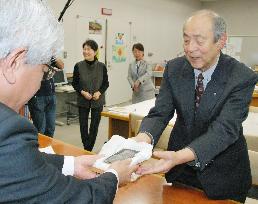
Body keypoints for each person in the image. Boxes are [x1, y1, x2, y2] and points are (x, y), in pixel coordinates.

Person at [0, 0, 138, 203]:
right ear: (14, 63)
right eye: (44, 72)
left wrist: (72, 164)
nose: (40, 82)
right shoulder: (10, 131)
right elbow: (76, 198)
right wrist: (115, 176)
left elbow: (17, 161)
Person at [134, 10, 258, 203]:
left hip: (224, 176)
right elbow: (160, 113)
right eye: (186, 40)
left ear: (221, 41)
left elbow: (224, 130)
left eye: (199, 41)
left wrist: (178, 157)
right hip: (181, 174)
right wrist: (143, 139)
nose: (190, 48)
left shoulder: (241, 77)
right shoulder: (174, 69)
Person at [72, 39, 109, 151]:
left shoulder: (102, 66)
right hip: (83, 101)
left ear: (95, 51)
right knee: (83, 126)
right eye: (84, 49)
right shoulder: (78, 66)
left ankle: (88, 149)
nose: (85, 51)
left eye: (88, 49)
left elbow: (105, 83)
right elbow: (75, 83)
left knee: (94, 127)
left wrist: (99, 92)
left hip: (97, 101)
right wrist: (83, 92)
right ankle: (87, 149)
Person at [28, 57, 64, 137]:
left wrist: (53, 56)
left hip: (51, 95)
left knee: (51, 128)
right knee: (40, 129)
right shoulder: (32, 54)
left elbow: (61, 66)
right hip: (37, 96)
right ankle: (39, 149)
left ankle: (48, 148)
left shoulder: (49, 55)